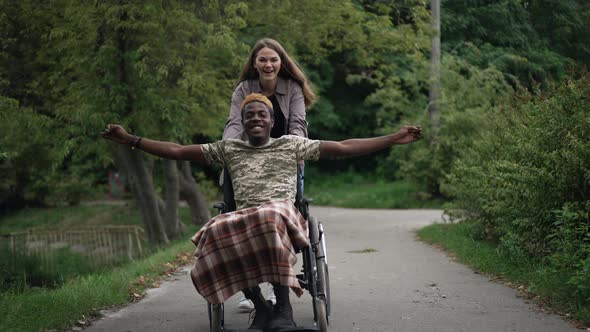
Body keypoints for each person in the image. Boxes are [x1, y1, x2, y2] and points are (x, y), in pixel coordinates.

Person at [101, 93, 422, 330]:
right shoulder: (229, 149)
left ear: (271, 121)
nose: (255, 118)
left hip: (282, 214)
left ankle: (284, 309)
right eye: (249, 115)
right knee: (213, 229)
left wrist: (393, 138)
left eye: (261, 114)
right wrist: (131, 139)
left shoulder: (290, 144)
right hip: (244, 219)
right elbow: (177, 151)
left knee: (269, 217)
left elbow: (344, 147)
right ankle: (261, 306)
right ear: (242, 122)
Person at [224, 38, 316, 312]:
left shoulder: (293, 88)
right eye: (262, 59)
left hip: (283, 157)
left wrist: (291, 149)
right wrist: (229, 150)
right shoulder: (244, 89)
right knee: (232, 199)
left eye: (273, 59)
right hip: (248, 153)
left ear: (281, 63)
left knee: (281, 211)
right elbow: (233, 124)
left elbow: (298, 124)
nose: (268, 64)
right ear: (254, 63)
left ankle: (280, 280)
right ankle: (249, 284)